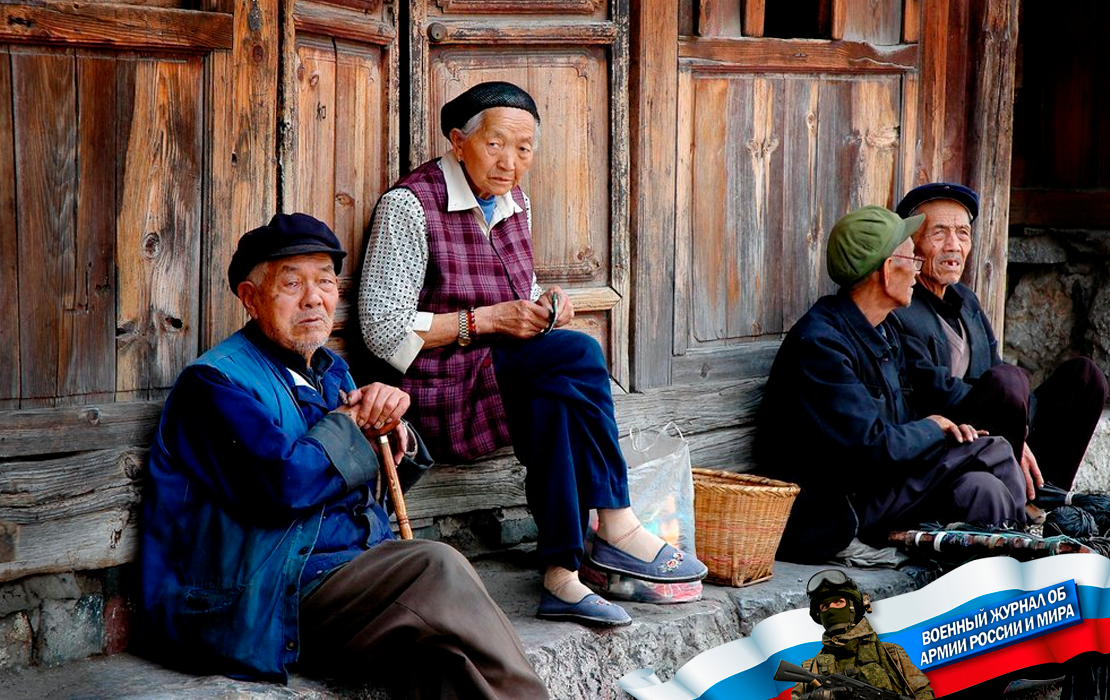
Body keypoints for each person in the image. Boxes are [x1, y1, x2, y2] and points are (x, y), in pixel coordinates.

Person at [140, 213, 549, 699]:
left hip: (344, 575)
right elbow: (282, 486)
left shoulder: (330, 371)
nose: (314, 298)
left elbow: (359, 481)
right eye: (292, 283)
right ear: (250, 298)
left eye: (326, 282)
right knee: (435, 568)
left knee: (444, 661)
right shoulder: (214, 384)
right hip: (262, 599)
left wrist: (394, 431)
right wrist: (352, 424)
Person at [358, 81, 706, 627]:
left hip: (505, 373)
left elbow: (520, 288)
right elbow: (381, 329)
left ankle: (561, 576)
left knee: (558, 396)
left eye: (524, 149)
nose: (511, 163)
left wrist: (547, 303)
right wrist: (486, 320)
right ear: (457, 141)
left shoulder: (515, 201)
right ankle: (615, 519)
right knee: (580, 354)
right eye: (496, 144)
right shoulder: (410, 206)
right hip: (437, 388)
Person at [755, 206, 1027, 563]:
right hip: (837, 510)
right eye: (911, 258)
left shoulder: (882, 330)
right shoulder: (820, 344)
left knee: (983, 490)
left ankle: (988, 607)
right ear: (886, 270)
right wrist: (932, 428)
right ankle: (1029, 566)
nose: (916, 269)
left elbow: (900, 422)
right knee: (993, 449)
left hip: (881, 486)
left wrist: (943, 431)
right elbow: (870, 449)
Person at [891, 182, 1107, 501]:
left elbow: (994, 365)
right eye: (939, 233)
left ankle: (1045, 499)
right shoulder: (901, 304)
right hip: (949, 437)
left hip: (997, 424)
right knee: (1008, 382)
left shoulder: (966, 299)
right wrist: (1009, 431)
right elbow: (930, 390)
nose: (954, 245)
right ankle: (1017, 492)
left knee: (1084, 378)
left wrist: (1019, 427)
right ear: (912, 244)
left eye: (962, 233)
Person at [791, 570, 934, 700]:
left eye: (839, 602)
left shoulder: (890, 654)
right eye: (825, 607)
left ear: (853, 607)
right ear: (819, 616)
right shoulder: (811, 667)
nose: (832, 609)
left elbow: (923, 693)